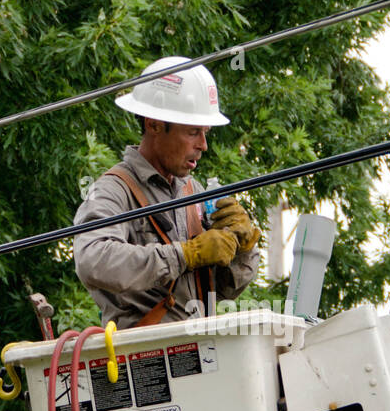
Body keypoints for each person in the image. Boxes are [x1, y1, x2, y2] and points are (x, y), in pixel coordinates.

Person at [73, 56, 260, 328]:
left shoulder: (193, 193)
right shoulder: (113, 190)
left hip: (198, 351)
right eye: (193, 132)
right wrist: (185, 255)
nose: (203, 145)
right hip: (142, 357)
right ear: (154, 125)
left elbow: (226, 290)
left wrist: (243, 247)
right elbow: (93, 261)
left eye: (205, 132)